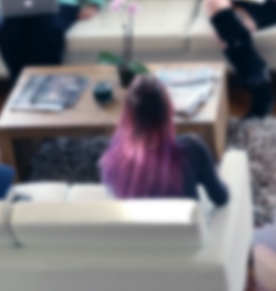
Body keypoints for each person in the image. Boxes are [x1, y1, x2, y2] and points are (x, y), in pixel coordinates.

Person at [98, 74, 229, 205]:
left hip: (140, 219)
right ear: (168, 109)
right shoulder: (192, 149)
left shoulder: (112, 161)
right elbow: (220, 197)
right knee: (232, 159)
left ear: (127, 114)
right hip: (188, 219)